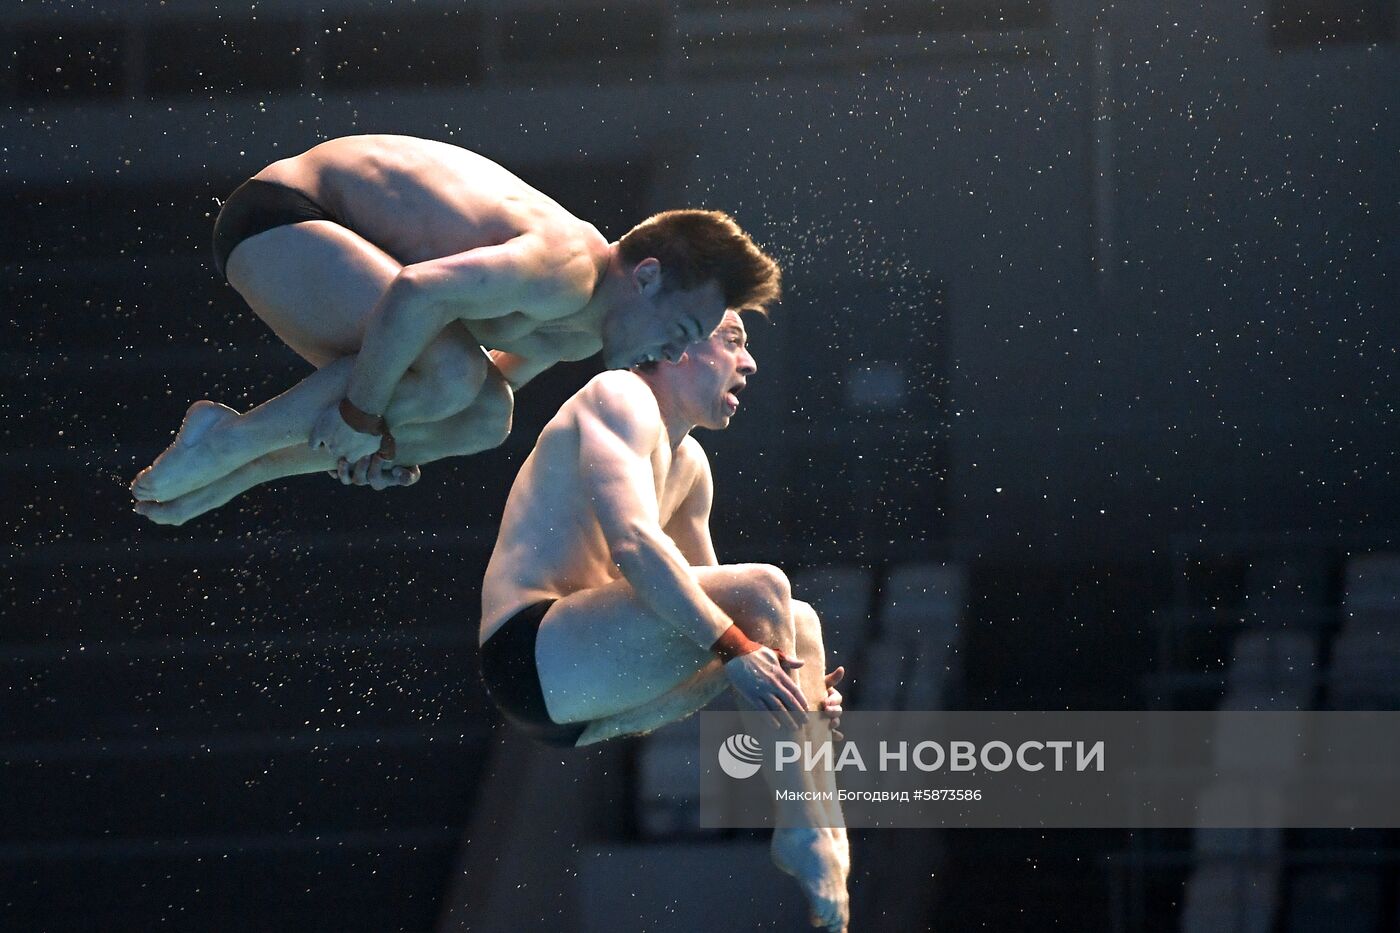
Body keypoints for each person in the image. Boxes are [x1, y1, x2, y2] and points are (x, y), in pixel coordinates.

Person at [130, 135, 781, 524]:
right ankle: (227, 441)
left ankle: (242, 470)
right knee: (450, 372)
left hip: (331, 258)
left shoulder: (579, 333)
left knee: (486, 414)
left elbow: (473, 398)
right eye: (684, 328)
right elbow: (419, 292)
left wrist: (392, 445)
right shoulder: (564, 266)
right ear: (644, 278)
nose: (674, 351)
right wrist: (360, 414)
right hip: (282, 215)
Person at [479, 310, 850, 931]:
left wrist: (797, 689)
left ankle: (820, 839)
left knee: (799, 623)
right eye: (733, 341)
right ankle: (806, 829)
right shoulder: (619, 395)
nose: (750, 362)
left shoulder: (691, 466)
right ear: (676, 347)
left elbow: (714, 621)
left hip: (585, 699)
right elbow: (634, 546)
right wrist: (745, 648)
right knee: (765, 590)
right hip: (531, 652)